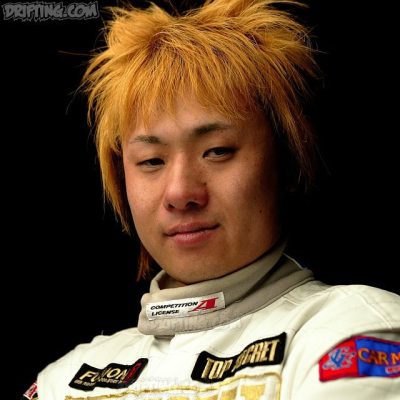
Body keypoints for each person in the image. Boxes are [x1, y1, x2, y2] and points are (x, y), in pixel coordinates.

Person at [22, 0, 400, 399]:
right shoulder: (64, 380)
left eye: (217, 151)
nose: (180, 193)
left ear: (286, 161)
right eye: (151, 161)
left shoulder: (353, 331)